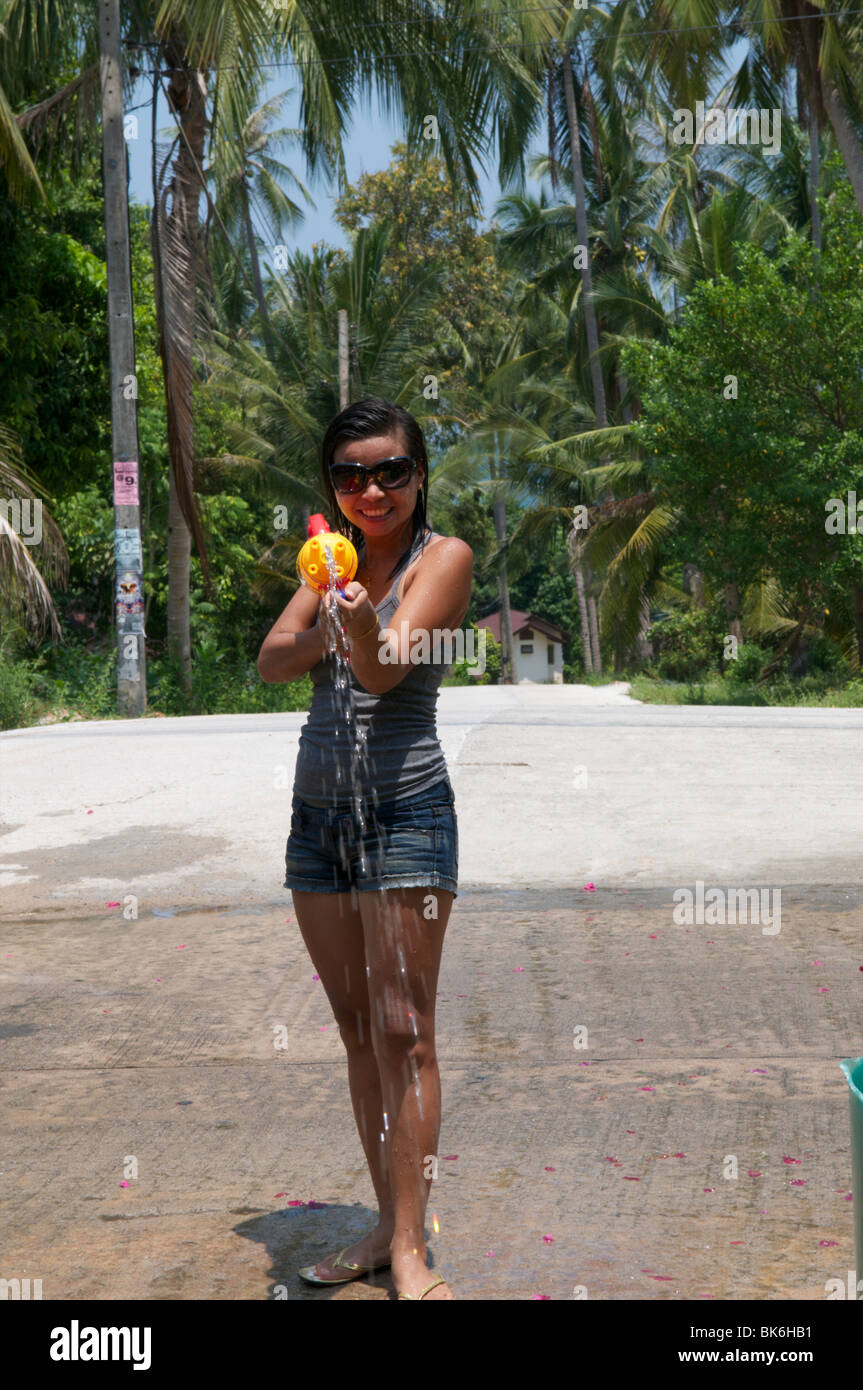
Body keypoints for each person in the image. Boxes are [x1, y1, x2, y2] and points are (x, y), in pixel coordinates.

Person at [257, 398, 472, 1300]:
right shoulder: (330, 561)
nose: (371, 489)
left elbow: (385, 668)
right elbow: (271, 658)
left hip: (406, 813)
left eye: (389, 471)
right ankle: (383, 1225)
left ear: (418, 476)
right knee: (354, 1032)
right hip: (319, 821)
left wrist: (347, 625)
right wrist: (325, 613)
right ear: (332, 490)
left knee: (404, 1032)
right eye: (350, 476)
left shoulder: (444, 560)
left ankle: (412, 1248)